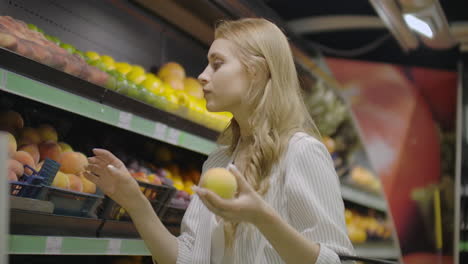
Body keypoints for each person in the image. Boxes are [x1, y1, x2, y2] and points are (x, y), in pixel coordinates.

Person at [85, 18, 354, 264]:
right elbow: (190, 258)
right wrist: (134, 201)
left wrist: (262, 217)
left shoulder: (301, 152)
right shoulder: (220, 160)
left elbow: (339, 261)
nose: (202, 75)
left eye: (217, 64)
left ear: (257, 71)